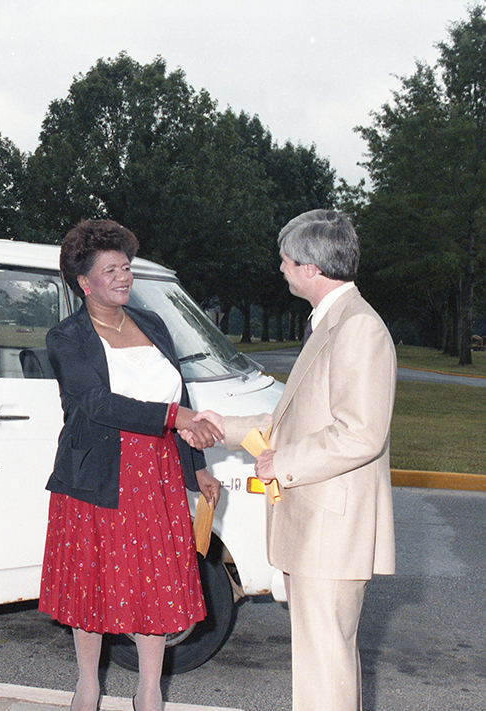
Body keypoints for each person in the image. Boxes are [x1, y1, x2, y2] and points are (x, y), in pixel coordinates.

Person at [39, 219, 224, 711]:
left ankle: (148, 693)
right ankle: (87, 686)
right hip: (98, 476)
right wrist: (174, 416)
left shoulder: (153, 325)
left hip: (158, 474)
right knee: (93, 587)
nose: (123, 276)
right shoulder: (66, 338)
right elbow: (96, 403)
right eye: (110, 269)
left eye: (126, 267)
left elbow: (177, 394)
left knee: (154, 586)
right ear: (84, 282)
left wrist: (196, 467)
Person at [215, 210, 396, 711]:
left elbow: (361, 432)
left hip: (331, 530)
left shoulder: (359, 329)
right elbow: (293, 418)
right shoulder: (333, 323)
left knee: (325, 669)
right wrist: (217, 426)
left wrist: (283, 463)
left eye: (286, 260)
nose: (281, 268)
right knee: (324, 666)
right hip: (318, 529)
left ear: (312, 269)